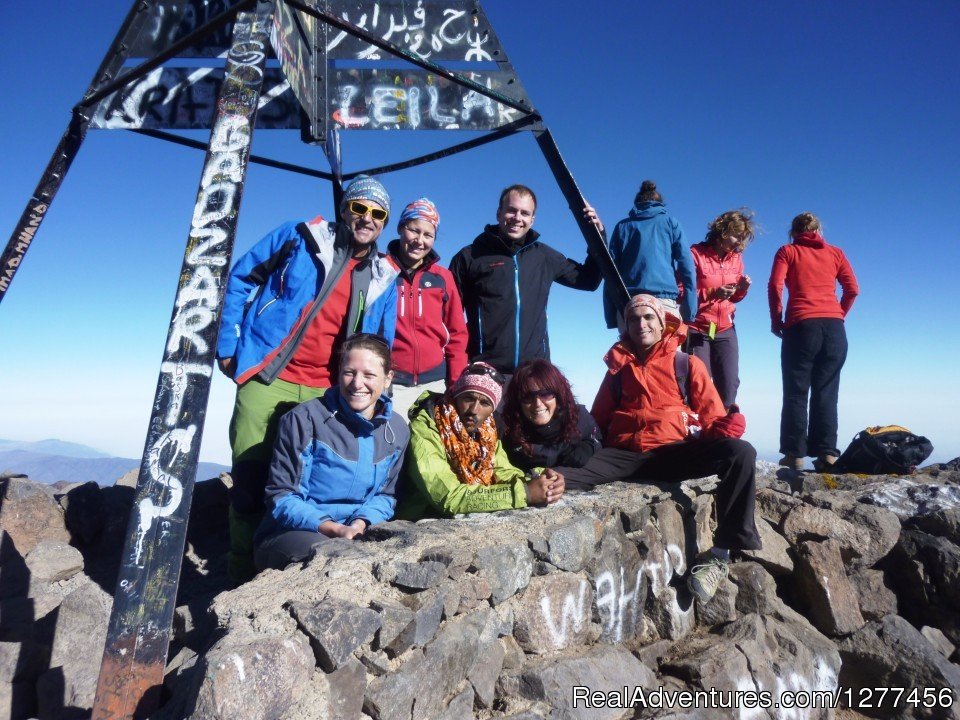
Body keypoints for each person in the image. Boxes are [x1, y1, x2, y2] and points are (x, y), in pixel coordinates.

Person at [216, 175, 399, 582]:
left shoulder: (384, 277)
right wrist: (228, 343)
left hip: (327, 390)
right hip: (268, 376)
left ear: (384, 222)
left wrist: (376, 392)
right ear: (344, 208)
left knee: (307, 486)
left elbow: (381, 342)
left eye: (377, 213)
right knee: (249, 478)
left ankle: (282, 566)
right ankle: (238, 573)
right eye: (359, 207)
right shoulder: (300, 236)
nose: (366, 218)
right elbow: (240, 277)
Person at [556, 294, 761, 603]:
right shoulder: (618, 371)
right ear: (626, 327)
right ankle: (515, 487)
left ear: (663, 322)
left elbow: (712, 415)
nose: (642, 324)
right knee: (565, 473)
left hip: (673, 450)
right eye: (634, 319)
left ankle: (720, 554)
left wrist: (723, 428)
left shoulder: (686, 364)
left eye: (648, 317)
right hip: (625, 453)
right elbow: (596, 421)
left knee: (741, 453)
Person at [254, 333, 409, 571]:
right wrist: (334, 529)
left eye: (369, 375)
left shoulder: (396, 429)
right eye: (349, 372)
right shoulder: (304, 420)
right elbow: (282, 497)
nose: (357, 384)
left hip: (356, 529)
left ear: (388, 379)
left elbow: (386, 496)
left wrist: (360, 523)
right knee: (336, 561)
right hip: (293, 533)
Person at [449, 184, 603, 380]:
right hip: (484, 372)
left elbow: (588, 280)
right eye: (511, 210)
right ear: (499, 213)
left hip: (533, 374)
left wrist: (597, 236)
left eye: (524, 213)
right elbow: (448, 317)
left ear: (532, 219)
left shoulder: (543, 256)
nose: (517, 218)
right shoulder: (470, 257)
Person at [396, 362, 565, 518]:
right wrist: (524, 493)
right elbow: (447, 497)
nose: (474, 410)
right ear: (456, 396)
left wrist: (539, 478)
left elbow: (501, 471)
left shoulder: (489, 429)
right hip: (420, 517)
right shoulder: (427, 425)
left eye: (485, 403)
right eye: (468, 398)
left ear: (492, 409)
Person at [768, 212, 859, 472]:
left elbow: (775, 286)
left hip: (801, 326)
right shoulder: (836, 253)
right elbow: (852, 289)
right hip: (834, 330)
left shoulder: (788, 251)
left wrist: (777, 321)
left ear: (793, 231)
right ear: (819, 230)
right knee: (827, 392)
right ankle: (827, 454)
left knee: (796, 392)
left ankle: (794, 455)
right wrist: (838, 314)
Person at [385, 198, 468, 420]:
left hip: (435, 386)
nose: (419, 240)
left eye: (428, 235)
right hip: (392, 384)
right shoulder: (382, 270)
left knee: (432, 449)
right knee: (394, 448)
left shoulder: (442, 278)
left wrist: (456, 384)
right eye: (414, 230)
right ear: (401, 228)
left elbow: (457, 333)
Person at [686, 209, 756, 408]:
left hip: (725, 329)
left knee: (729, 383)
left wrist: (741, 289)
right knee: (701, 383)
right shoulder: (695, 255)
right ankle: (701, 432)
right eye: (736, 236)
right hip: (698, 327)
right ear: (722, 231)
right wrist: (712, 294)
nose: (739, 243)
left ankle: (724, 429)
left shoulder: (736, 259)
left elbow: (733, 297)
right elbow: (681, 292)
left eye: (742, 239)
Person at [603, 180, 697, 329]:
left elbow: (609, 272)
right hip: (664, 302)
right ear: (660, 204)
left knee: (628, 353)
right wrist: (690, 310)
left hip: (628, 302)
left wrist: (611, 317)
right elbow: (687, 266)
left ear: (637, 203)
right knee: (667, 352)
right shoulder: (671, 223)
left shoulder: (622, 227)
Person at [499, 358, 601, 472]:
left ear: (559, 395)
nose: (537, 404)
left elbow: (597, 438)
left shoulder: (578, 417)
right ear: (517, 401)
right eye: (527, 396)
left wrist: (588, 447)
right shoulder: (508, 429)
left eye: (545, 394)